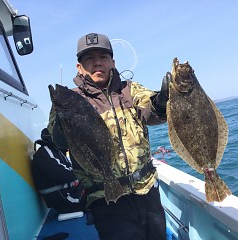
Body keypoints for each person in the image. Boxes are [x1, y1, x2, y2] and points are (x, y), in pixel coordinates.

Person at [48, 33, 170, 240]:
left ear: (112, 62)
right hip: (105, 196)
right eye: (89, 58)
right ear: (79, 67)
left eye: (103, 57)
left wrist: (161, 101)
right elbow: (59, 141)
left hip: (146, 189)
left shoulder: (130, 89)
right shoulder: (70, 98)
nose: (97, 62)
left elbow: (152, 112)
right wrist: (63, 120)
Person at [31, 128, 86, 221]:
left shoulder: (56, 151)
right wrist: (85, 173)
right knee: (96, 199)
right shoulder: (44, 153)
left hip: (70, 193)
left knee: (97, 192)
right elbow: (64, 175)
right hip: (65, 200)